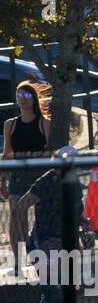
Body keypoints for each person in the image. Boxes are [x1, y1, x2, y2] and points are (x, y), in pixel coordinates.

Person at [12, 146, 86, 303]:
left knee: (54, 294)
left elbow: (75, 216)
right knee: (54, 294)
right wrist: (26, 237)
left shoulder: (74, 185)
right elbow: (20, 206)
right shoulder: (46, 182)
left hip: (66, 245)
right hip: (46, 244)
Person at [2, 81, 51, 273]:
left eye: (27, 95)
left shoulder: (44, 123)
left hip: (38, 175)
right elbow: (6, 154)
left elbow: (51, 153)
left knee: (32, 214)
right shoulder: (10, 124)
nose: (22, 99)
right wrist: (2, 182)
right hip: (17, 175)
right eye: (19, 95)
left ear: (34, 99)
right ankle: (18, 260)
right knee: (15, 213)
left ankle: (32, 243)